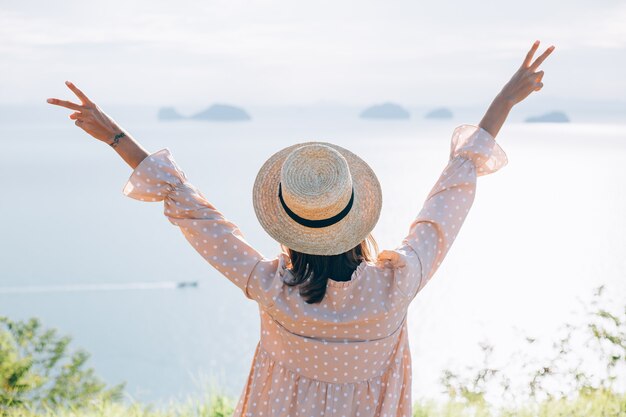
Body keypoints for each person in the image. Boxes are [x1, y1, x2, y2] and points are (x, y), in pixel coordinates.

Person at [47, 40, 554, 417]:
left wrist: (115, 137)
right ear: (357, 216)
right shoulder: (397, 286)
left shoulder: (271, 289)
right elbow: (448, 198)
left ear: (288, 225)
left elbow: (193, 213)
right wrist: (502, 104)